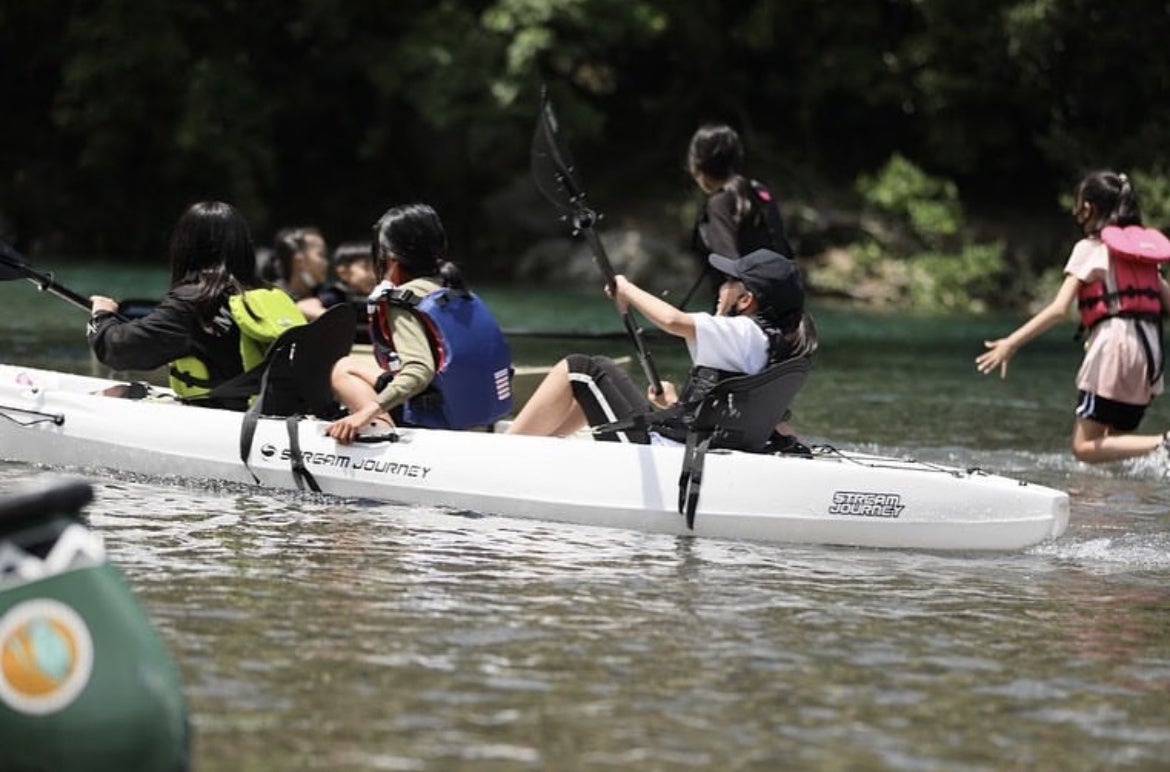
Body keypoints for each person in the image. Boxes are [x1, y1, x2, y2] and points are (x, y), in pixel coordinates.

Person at [507, 248, 816, 444]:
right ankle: (544, 445)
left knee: (580, 369)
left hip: (665, 452)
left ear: (746, 300)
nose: (721, 288)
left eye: (728, 282)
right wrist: (675, 405)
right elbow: (730, 413)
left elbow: (672, 320)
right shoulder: (768, 343)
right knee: (602, 367)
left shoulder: (742, 331)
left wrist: (626, 289)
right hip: (682, 443)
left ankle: (507, 450)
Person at [976, 170, 1170, 463]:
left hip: (1114, 349)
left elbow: (1059, 309)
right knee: (1115, 451)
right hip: (1149, 352)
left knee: (1083, 448)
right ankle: (1120, 490)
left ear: (1088, 208)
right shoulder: (1143, 257)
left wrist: (1011, 343)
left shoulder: (1089, 249)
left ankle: (1164, 442)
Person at [89, 201, 306, 409]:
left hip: (226, 418)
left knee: (112, 394)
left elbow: (117, 350)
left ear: (185, 246)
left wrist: (102, 315)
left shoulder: (194, 303)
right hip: (278, 411)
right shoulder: (273, 295)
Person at [326, 203, 512, 443]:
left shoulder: (404, 300)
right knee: (359, 366)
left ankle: (382, 431)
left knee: (343, 367)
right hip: (475, 412)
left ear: (389, 257)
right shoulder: (456, 290)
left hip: (435, 419)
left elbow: (419, 371)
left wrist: (365, 412)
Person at [685, 124, 795, 304]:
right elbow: (782, 247)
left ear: (694, 164)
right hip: (785, 302)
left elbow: (731, 266)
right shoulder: (759, 191)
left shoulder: (720, 202)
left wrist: (723, 312)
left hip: (748, 307)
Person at [309, 241, 379, 330]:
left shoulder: (381, 296)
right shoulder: (338, 295)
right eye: (366, 267)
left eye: (377, 268)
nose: (374, 275)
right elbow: (304, 306)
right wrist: (339, 320)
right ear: (343, 272)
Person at [271, 226, 330, 318]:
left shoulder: (329, 296)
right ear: (299, 260)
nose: (326, 263)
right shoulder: (273, 298)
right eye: (321, 255)